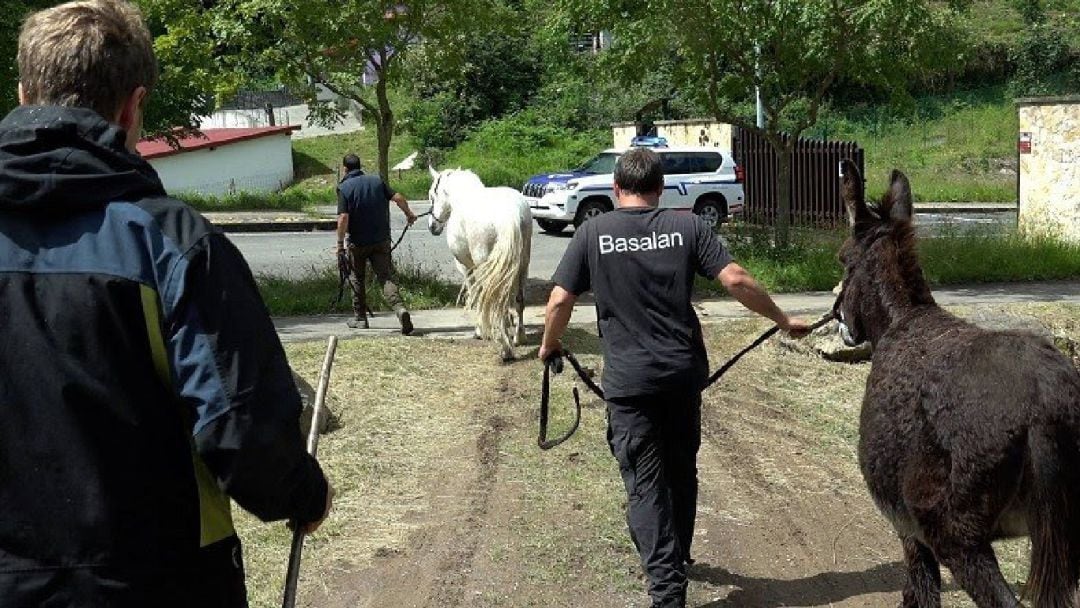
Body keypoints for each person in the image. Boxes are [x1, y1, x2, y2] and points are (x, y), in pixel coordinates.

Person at [0, 1, 332, 605]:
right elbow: (241, 428)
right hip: (158, 582)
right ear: (133, 106)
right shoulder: (173, 246)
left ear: (23, 94)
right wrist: (302, 493)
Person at [539, 148, 810, 608]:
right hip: (683, 377)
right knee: (681, 470)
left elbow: (560, 300)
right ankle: (677, 556)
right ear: (660, 189)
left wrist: (549, 345)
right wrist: (783, 319)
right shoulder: (688, 227)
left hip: (631, 385)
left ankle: (667, 591)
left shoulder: (592, 233)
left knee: (646, 484)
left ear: (616, 188)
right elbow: (737, 279)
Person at [335, 153, 418, 333]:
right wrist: (409, 214)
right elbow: (398, 197)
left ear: (345, 169)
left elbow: (343, 217)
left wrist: (340, 244)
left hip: (357, 243)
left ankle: (360, 318)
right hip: (381, 240)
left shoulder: (344, 188)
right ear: (360, 166)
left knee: (357, 278)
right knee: (385, 277)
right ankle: (400, 309)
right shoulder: (377, 181)